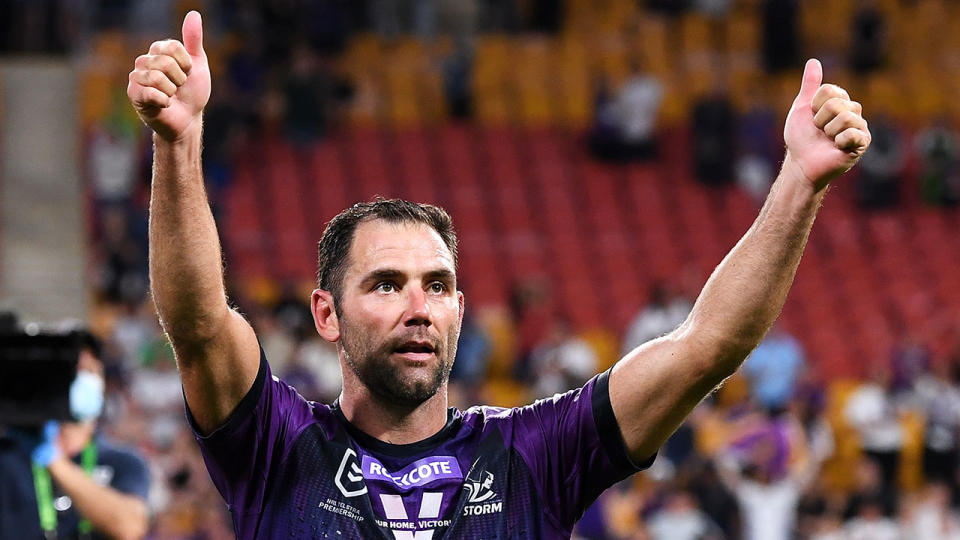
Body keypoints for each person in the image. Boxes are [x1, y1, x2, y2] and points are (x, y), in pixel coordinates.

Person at [126, 11, 870, 539]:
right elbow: (196, 323)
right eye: (386, 284)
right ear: (326, 314)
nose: (419, 306)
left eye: (438, 286)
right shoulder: (276, 446)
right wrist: (180, 144)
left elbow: (709, 344)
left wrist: (800, 183)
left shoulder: (535, 456)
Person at [0, 329, 150, 540]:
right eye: (70, 371)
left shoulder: (123, 462)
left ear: (102, 380)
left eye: (87, 370)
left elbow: (129, 528)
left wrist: (52, 458)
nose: (78, 379)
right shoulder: (7, 458)